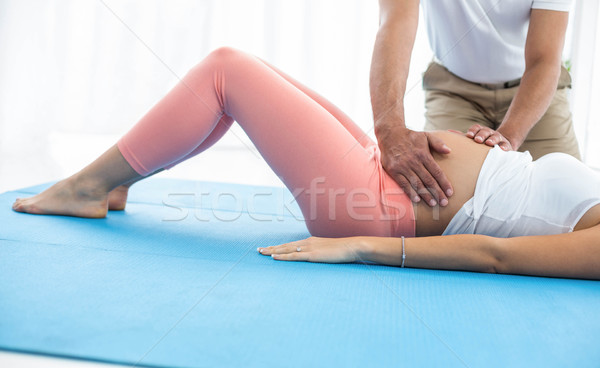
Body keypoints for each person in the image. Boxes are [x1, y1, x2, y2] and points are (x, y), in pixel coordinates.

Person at [11, 47, 600, 279]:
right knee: (255, 75)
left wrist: (360, 247)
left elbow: (497, 255)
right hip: (390, 177)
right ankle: (118, 181)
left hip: (381, 210)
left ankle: (85, 187)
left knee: (227, 73)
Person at [371, 0, 580, 209]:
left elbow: (543, 60)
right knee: (438, 200)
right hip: (454, 91)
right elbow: (394, 27)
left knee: (574, 202)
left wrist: (509, 135)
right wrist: (390, 131)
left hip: (534, 91)